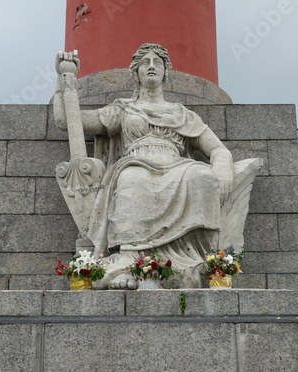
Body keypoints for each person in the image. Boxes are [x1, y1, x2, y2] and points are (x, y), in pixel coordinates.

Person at [54, 43, 234, 288]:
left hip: (177, 165)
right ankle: (130, 259)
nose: (151, 67)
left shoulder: (182, 114)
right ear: (135, 73)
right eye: (145, 63)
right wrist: (65, 79)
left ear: (165, 73)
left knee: (202, 175)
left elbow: (217, 149)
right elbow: (68, 121)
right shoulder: (123, 109)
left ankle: (201, 259)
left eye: (157, 63)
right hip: (136, 161)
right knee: (132, 180)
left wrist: (222, 168)